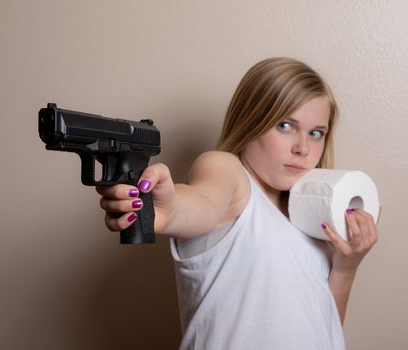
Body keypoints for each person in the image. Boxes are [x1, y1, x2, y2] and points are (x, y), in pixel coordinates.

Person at [96, 57, 379, 349]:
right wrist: (171, 210)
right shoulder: (229, 173)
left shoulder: (313, 218)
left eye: (316, 133)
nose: (303, 148)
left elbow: (323, 327)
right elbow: (204, 202)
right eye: (284, 125)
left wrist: (346, 266)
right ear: (252, 121)